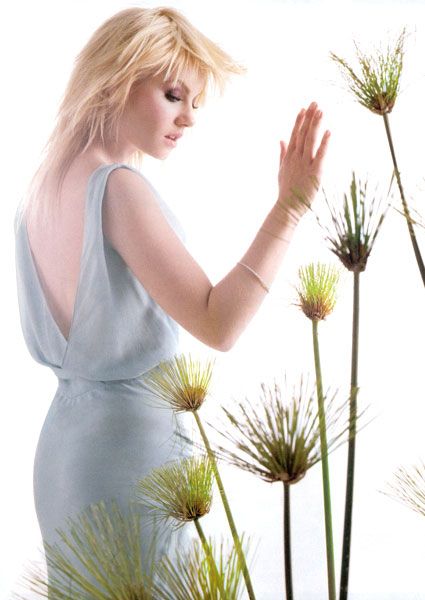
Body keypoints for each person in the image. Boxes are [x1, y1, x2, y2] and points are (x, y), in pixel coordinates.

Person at [14, 5, 330, 594]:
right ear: (116, 79)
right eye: (173, 95)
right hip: (129, 457)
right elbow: (219, 324)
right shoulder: (116, 188)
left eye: (195, 103)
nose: (188, 118)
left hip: (64, 457)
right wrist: (289, 208)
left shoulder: (41, 192)